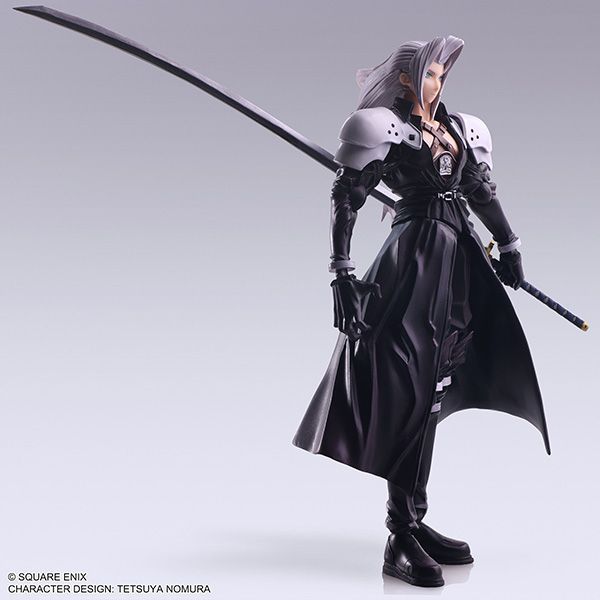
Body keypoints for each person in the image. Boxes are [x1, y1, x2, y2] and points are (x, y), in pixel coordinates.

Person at [292, 36, 550, 588]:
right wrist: (341, 273)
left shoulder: (460, 130)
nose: (439, 81)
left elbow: (480, 192)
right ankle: (399, 535)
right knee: (408, 389)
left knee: (434, 389)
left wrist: (509, 244)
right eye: (430, 72)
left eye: (442, 72)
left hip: (457, 267)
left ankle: (411, 519)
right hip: (411, 267)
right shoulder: (384, 128)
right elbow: (347, 197)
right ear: (408, 77)